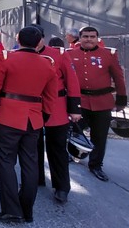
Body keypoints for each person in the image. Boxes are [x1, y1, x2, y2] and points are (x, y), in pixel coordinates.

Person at [0, 26, 58, 224]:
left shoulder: (7, 59)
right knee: (30, 165)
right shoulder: (48, 64)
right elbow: (50, 97)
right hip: (33, 120)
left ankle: (12, 210)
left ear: (18, 39)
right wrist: (44, 117)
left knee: (5, 163)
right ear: (39, 42)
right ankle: (27, 211)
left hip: (8, 117)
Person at [67, 26, 127, 182]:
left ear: (97, 38)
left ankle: (96, 165)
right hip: (79, 101)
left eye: (92, 36)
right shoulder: (69, 54)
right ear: (79, 38)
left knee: (99, 137)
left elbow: (119, 78)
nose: (88, 39)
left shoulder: (108, 54)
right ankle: (74, 154)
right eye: (85, 36)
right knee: (75, 133)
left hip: (102, 102)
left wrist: (121, 99)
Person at [31, 25, 82, 204]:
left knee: (57, 149)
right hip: (32, 107)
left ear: (43, 38)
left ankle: (61, 187)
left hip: (57, 108)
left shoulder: (59, 54)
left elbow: (72, 80)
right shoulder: (22, 55)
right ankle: (35, 179)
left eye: (37, 38)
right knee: (32, 147)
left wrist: (75, 108)